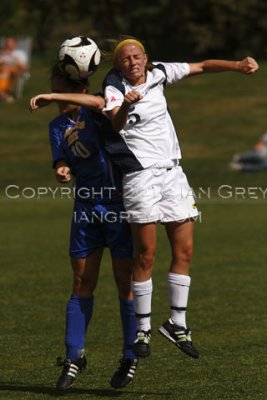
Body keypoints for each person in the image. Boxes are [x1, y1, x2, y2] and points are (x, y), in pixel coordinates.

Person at [101, 36, 259, 359]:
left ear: (145, 57)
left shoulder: (159, 72)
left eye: (136, 56)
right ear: (118, 65)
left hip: (173, 173)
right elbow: (116, 124)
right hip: (140, 175)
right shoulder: (113, 87)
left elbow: (201, 66)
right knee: (145, 254)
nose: (132, 62)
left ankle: (177, 322)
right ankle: (142, 329)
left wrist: (238, 66)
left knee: (184, 249)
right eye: (125, 59)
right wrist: (127, 104)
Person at [29, 64, 138, 390]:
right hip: (86, 208)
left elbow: (100, 104)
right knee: (81, 281)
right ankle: (74, 355)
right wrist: (61, 169)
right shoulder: (56, 126)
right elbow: (61, 158)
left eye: (57, 84)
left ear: (74, 84)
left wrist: (54, 94)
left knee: (124, 283)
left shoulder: (97, 108)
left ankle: (130, 355)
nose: (54, 90)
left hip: (118, 204)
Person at [0, 37, 28, 102]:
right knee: (4, 71)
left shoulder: (19, 53)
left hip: (14, 71)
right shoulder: (2, 54)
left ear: (14, 44)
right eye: (7, 44)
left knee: (5, 72)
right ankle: (3, 95)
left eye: (10, 43)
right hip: (2, 71)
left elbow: (24, 67)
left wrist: (11, 55)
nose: (8, 45)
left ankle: (2, 93)